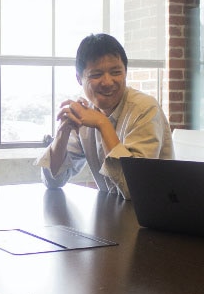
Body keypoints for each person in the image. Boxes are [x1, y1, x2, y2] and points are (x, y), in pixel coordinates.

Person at [37, 33, 174, 199]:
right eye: (96, 75)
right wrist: (62, 133)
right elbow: (53, 181)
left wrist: (102, 123)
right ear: (79, 79)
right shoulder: (85, 113)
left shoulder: (145, 109)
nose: (108, 82)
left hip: (154, 217)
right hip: (113, 215)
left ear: (125, 72)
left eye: (116, 72)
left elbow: (135, 190)